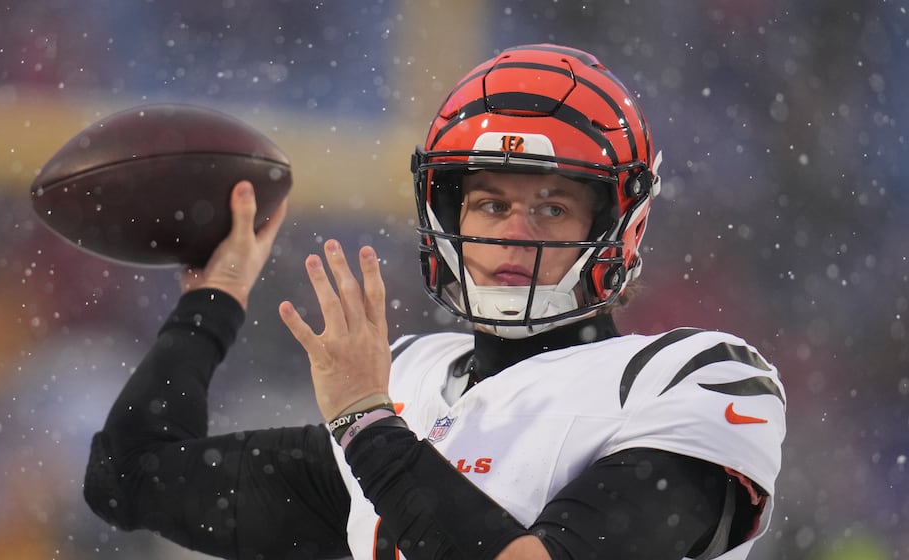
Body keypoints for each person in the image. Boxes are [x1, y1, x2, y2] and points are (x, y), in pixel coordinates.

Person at [83, 44, 786, 559]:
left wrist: (366, 424)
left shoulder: (691, 378)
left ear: (615, 225)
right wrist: (213, 300)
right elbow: (130, 478)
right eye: (489, 203)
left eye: (550, 207)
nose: (514, 234)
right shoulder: (414, 380)